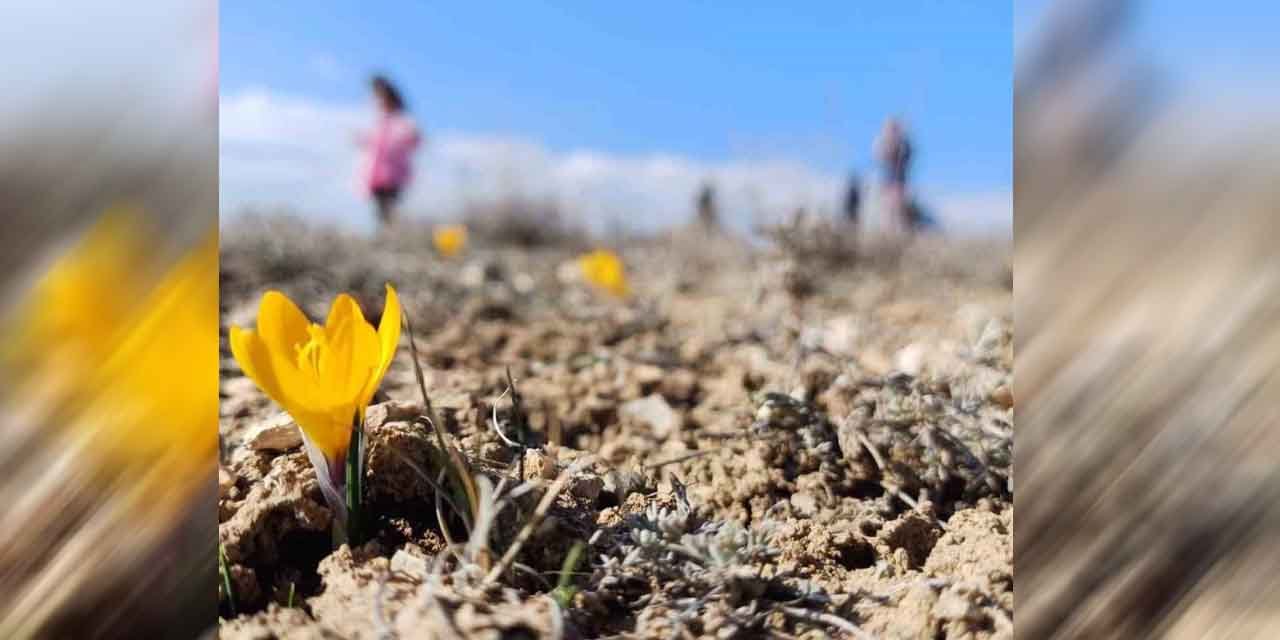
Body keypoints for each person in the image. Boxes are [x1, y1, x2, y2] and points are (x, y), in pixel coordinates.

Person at [357, 75, 421, 229]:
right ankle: (387, 232)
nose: (379, 102)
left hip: (394, 174)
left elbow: (414, 139)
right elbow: (371, 142)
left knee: (389, 207)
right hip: (376, 173)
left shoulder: (401, 121)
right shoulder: (377, 121)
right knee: (380, 208)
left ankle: (391, 232)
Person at [873, 117, 913, 233]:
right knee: (886, 210)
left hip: (898, 182)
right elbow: (879, 155)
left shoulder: (904, 144)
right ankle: (887, 233)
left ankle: (899, 233)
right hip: (887, 181)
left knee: (898, 210)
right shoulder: (883, 142)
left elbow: (907, 156)